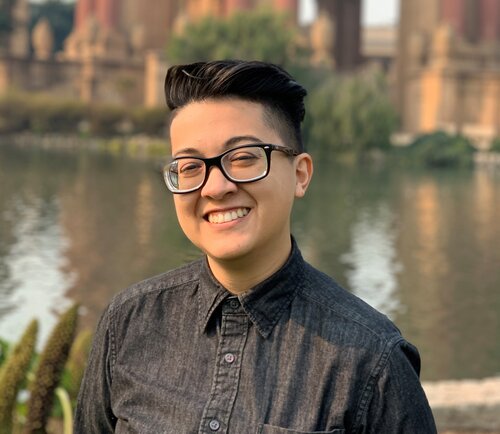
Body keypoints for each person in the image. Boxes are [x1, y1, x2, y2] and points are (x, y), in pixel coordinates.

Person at [75, 60, 437, 433]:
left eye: (244, 158)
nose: (215, 188)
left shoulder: (372, 359)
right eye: (189, 166)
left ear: (300, 174)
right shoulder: (130, 322)